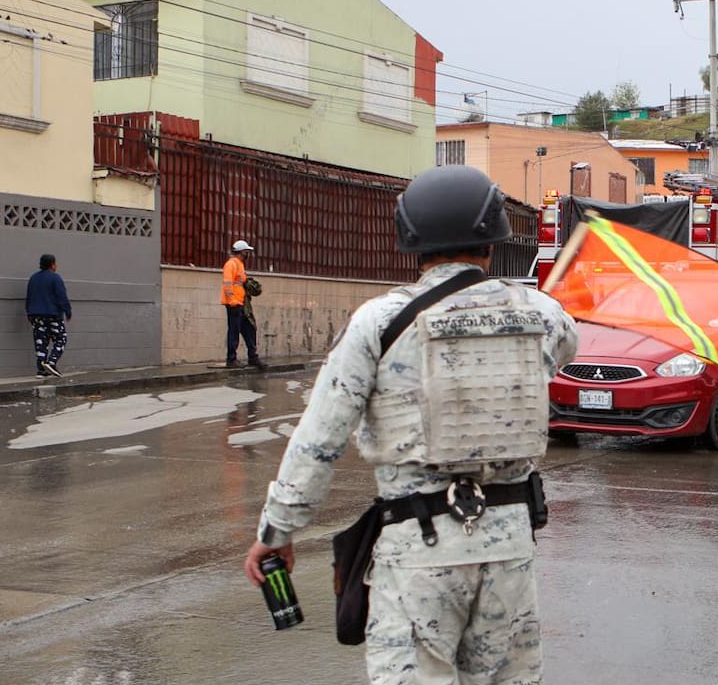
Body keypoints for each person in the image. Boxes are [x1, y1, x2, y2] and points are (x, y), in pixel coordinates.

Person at [244, 165, 578, 684]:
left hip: (420, 550)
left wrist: (277, 532)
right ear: (493, 240)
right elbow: (561, 350)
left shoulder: (378, 322)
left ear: (410, 242)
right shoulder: (543, 314)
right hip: (510, 549)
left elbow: (320, 437)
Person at [25, 253, 72, 377]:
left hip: (36, 315)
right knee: (61, 338)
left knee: (41, 341)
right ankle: (51, 362)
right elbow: (62, 296)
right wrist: (68, 311)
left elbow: (29, 297)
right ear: (52, 265)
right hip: (52, 314)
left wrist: (29, 313)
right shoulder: (55, 278)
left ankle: (41, 369)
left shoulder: (33, 278)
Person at [221, 240, 265, 369]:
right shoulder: (231, 264)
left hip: (241, 303)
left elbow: (241, 282)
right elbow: (227, 284)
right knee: (234, 331)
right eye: (247, 252)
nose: (248, 254)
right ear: (241, 252)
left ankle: (253, 357)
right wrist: (232, 300)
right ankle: (231, 359)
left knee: (249, 329)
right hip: (234, 304)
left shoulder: (239, 264)